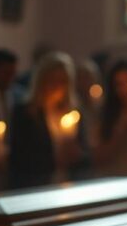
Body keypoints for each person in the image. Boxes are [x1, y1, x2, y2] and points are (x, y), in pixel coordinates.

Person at [9, 52, 90, 189]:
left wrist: (78, 155)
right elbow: (20, 158)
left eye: (63, 81)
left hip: (70, 185)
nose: (57, 86)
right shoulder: (25, 113)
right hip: (37, 186)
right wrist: (54, 159)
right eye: (52, 80)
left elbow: (86, 155)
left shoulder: (74, 113)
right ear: (41, 81)